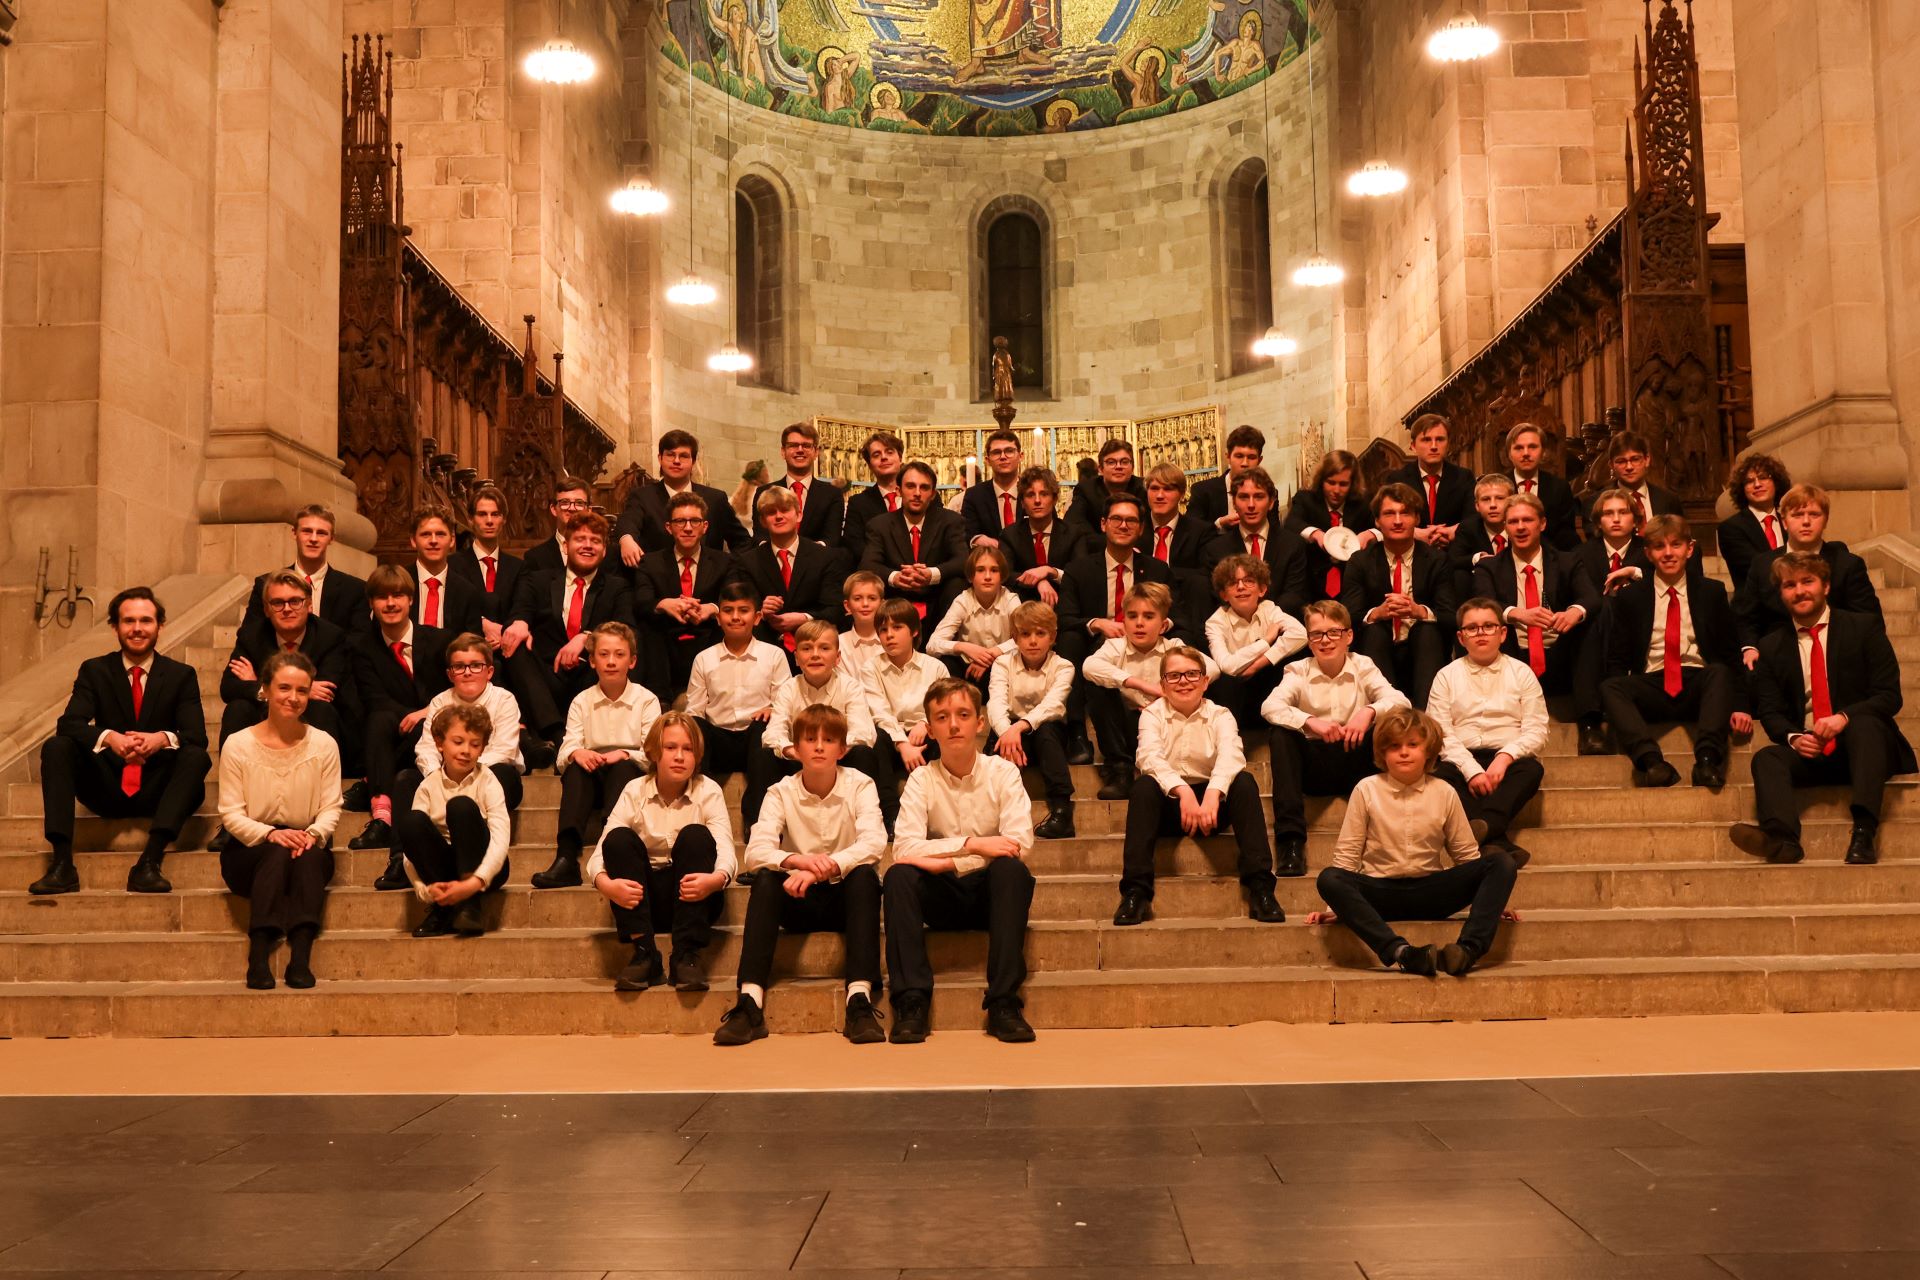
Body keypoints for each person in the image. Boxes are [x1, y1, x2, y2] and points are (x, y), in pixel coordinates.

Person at [714, 705, 888, 1046]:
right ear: (796, 748)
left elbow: (874, 842)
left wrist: (829, 866)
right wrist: (800, 862)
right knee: (764, 880)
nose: (819, 746)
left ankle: (860, 1000)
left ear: (843, 749)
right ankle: (750, 1001)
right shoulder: (780, 791)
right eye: (810, 739)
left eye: (828, 739)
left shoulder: (861, 785)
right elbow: (755, 850)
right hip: (797, 899)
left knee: (865, 876)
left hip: (845, 899)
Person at [1731, 552, 1916, 865]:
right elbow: (1772, 711)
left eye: (1807, 581)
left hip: (1866, 747)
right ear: (1781, 593)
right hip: (1813, 748)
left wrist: (1844, 718)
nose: (1799, 591)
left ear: (1826, 586)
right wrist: (1793, 738)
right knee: (1767, 758)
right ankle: (1783, 839)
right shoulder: (1772, 645)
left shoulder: (1863, 627)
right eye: (1790, 585)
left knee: (1865, 724)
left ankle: (1864, 831)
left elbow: (1889, 696)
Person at [883, 678, 1038, 1044]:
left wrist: (952, 861)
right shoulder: (921, 779)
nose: (953, 724)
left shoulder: (1003, 773)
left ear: (979, 723)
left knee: (1011, 870)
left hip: (991, 895)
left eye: (963, 715)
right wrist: (974, 845)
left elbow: (1019, 843)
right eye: (942, 717)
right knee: (898, 877)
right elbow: (904, 847)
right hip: (942, 899)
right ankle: (912, 1001)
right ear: (931, 728)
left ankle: (1003, 1003)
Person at [1313, 706, 1519, 976]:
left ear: (1428, 752)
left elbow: (1466, 856)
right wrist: (1336, 906)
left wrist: (1492, 900)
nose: (1404, 752)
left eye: (1413, 744)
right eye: (1394, 746)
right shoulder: (1366, 789)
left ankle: (1466, 951)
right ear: (1383, 753)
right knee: (1329, 878)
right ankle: (1403, 953)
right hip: (1380, 892)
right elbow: (1348, 855)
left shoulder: (1444, 791)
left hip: (1432, 892)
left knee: (1501, 862)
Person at [31, 587, 211, 896]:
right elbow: (69, 724)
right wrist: (109, 737)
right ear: (115, 626)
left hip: (157, 788)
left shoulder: (181, 675)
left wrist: (160, 739)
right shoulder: (95, 670)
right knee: (56, 746)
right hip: (108, 785)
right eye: (128, 621)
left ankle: (149, 862)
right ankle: (62, 864)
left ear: (160, 625)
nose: (137, 628)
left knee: (195, 756)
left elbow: (197, 736)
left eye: (146, 620)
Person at [1114, 646, 1282, 927]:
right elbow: (1148, 757)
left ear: (1205, 682)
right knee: (1143, 786)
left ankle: (1261, 889)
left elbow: (1232, 755)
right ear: (1163, 685)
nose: (1183, 681)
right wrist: (1183, 792)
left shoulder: (1221, 714)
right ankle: (1135, 892)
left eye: (1192, 674)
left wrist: (1213, 794)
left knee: (1244, 781)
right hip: (1171, 805)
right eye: (1174, 675)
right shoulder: (1152, 714)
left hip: (1211, 807)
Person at [217, 652, 342, 990]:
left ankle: (300, 958)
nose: (293, 697)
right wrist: (271, 835)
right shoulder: (238, 744)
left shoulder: (324, 744)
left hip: (306, 843)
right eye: (284, 688)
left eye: (302, 690)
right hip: (248, 851)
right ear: (266, 690)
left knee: (310, 854)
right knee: (275, 852)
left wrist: (312, 834)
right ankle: (258, 954)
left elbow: (331, 806)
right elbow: (230, 812)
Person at [1261, 600, 1408, 879]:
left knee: (1385, 727)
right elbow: (1269, 707)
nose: (1325, 640)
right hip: (1314, 767)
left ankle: (1389, 837)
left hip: (1356, 760)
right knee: (1280, 734)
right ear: (1309, 640)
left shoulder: (1363, 665)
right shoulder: (1297, 670)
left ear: (1349, 636)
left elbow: (1400, 700)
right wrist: (1309, 721)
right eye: (1316, 634)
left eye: (1333, 632)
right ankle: (1290, 843)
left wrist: (1368, 711)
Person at [589, 712, 736, 991]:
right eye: (671, 748)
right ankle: (645, 953)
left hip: (697, 895)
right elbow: (601, 850)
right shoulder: (634, 790)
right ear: (656, 753)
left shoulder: (709, 791)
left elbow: (726, 848)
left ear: (697, 756)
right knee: (619, 839)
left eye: (688, 749)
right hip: (644, 900)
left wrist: (716, 880)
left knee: (696, 835)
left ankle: (686, 956)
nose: (679, 756)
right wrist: (606, 885)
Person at [1600, 516, 1745, 790]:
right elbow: (1617, 658)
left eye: (1675, 545)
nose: (1668, 553)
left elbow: (1729, 653)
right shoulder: (1632, 597)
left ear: (1689, 549)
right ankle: (1652, 763)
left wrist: (1741, 705)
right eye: (1659, 546)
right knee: (1610, 686)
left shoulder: (1711, 592)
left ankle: (1706, 760)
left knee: (1720, 671)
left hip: (1698, 684)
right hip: (1652, 682)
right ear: (1648, 554)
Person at [1472, 492, 1604, 752]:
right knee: (1483, 623)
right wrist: (1516, 613)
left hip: (1559, 657)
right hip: (1513, 658)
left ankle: (1590, 726)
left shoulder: (1567, 561)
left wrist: (1574, 611)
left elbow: (1591, 597)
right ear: (1506, 527)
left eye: (1527, 520)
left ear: (1542, 524)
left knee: (1590, 622)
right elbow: (1481, 604)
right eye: (1513, 522)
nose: (1520, 527)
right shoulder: (1490, 567)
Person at [535, 622, 662, 889]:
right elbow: (566, 750)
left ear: (633, 661)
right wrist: (577, 753)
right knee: (575, 769)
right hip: (592, 777)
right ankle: (567, 858)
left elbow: (654, 755)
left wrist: (624, 753)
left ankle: (611, 852)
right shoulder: (582, 701)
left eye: (619, 654)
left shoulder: (647, 700)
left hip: (629, 777)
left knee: (624, 768)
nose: (611, 661)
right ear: (592, 661)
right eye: (603, 655)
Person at [499, 509, 635, 748]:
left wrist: (587, 637)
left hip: (590, 674)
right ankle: (556, 731)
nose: (587, 546)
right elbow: (521, 608)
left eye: (595, 541)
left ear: (604, 551)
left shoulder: (617, 587)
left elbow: (626, 627)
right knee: (514, 648)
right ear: (565, 546)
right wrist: (520, 622)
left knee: (614, 651)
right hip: (545, 676)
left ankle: (554, 735)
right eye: (580, 539)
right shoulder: (538, 580)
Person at [1427, 599, 1548, 866]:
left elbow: (1537, 729)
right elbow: (1439, 732)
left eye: (1488, 626)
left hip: (1508, 760)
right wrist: (1472, 770)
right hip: (1459, 759)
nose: (1481, 633)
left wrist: (1505, 757)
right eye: (1472, 628)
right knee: (1437, 778)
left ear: (1503, 633)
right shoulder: (1446, 676)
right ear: (1461, 637)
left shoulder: (1522, 673)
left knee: (1532, 770)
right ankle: (1495, 838)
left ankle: (1479, 832)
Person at [346, 566, 452, 869]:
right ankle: (382, 815)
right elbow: (373, 697)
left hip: (436, 725)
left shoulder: (439, 640)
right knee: (378, 718)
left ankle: (373, 782)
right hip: (392, 729)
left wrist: (427, 713)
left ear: (410, 600)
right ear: (371, 603)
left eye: (398, 595)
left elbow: (456, 688)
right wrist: (412, 717)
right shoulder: (362, 647)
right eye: (381, 597)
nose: (390, 603)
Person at [1085, 581, 1217, 800]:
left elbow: (1211, 668)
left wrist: (1169, 696)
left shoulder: (1173, 646)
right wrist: (1144, 685)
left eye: (1148, 617)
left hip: (1165, 727)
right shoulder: (1115, 647)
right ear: (1123, 620)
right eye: (1132, 616)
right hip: (1126, 728)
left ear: (1163, 625)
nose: (1139, 623)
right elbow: (1089, 666)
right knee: (1097, 688)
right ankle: (1120, 772)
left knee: (1192, 678)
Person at [398, 702, 512, 938]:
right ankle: (443, 905)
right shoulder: (428, 787)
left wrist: (475, 882)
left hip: (484, 866)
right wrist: (424, 889)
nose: (466, 751)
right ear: (440, 744)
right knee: (411, 820)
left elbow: (501, 838)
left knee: (460, 806)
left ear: (482, 749)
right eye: (458, 742)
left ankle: (470, 905)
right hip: (446, 868)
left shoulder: (488, 780)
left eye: (475, 744)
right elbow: (411, 851)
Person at [685, 579, 791, 832]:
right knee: (695, 726)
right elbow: (694, 709)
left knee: (765, 725)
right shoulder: (704, 658)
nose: (735, 617)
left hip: (756, 740)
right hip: (719, 737)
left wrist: (773, 710)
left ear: (756, 618)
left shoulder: (773, 654)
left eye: (743, 611)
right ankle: (701, 815)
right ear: (719, 617)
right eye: (728, 611)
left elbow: (787, 702)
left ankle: (756, 822)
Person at [1341, 482, 1456, 708]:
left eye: (1405, 513)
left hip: (1424, 653)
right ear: (1377, 521)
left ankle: (1429, 717)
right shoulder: (1360, 561)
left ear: (1416, 519)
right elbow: (1348, 617)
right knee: (1374, 630)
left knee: (1427, 630)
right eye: (1389, 513)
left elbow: (1451, 616)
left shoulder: (1436, 560)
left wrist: (1419, 611)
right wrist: (1377, 613)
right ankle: (1385, 713)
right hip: (1379, 650)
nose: (1397, 520)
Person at [1736, 483, 1881, 656]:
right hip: (1778, 657)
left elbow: (1869, 620)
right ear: (1784, 522)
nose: (1806, 521)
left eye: (1814, 514)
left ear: (1825, 519)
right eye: (1797, 515)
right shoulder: (1762, 565)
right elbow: (1748, 617)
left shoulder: (1848, 565)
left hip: (1837, 654)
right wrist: (1750, 648)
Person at [216, 570, 352, 753]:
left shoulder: (330, 636)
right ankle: (234, 778)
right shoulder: (252, 636)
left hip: (309, 713)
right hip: (264, 715)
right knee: (237, 709)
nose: (287, 609)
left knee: (322, 710)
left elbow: (325, 692)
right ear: (266, 609)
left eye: (295, 601)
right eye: (278, 603)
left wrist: (260, 683)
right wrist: (266, 690)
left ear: (309, 605)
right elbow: (228, 687)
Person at [630, 490, 742, 699]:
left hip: (708, 637)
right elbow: (641, 602)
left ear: (705, 527)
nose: (688, 528)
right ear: (669, 527)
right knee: (647, 627)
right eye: (680, 521)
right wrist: (664, 604)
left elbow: (734, 598)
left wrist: (713, 608)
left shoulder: (724, 562)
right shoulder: (650, 563)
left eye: (695, 521)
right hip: (664, 642)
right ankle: (659, 701)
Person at [409, 632, 526, 822]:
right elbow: (427, 748)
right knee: (406, 779)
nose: (467, 672)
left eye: (476, 665)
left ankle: (478, 837)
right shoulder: (439, 702)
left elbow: (505, 750)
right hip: (445, 777)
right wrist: (440, 777)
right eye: (459, 666)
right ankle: (401, 849)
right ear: (450, 674)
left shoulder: (504, 699)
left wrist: (465, 776)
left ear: (489, 672)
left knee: (504, 774)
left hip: (489, 774)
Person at [989, 601, 1077, 839]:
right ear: (1015, 638)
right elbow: (995, 702)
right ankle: (991, 809)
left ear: (1053, 636)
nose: (1033, 640)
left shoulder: (1063, 666)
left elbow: (1052, 705)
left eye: (1041, 633)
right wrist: (1007, 731)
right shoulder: (1002, 663)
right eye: (1025, 634)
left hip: (1048, 732)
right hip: (1010, 730)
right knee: (994, 743)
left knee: (1047, 731)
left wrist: (1019, 727)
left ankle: (1062, 809)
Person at [759, 618, 880, 789]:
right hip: (799, 760)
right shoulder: (789, 688)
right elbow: (772, 734)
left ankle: (870, 811)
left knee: (863, 753)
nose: (815, 655)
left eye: (824, 648)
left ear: (837, 657)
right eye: (807, 648)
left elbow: (864, 733)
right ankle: (759, 815)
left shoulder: (850, 687)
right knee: (766, 756)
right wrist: (793, 751)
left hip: (840, 759)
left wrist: (831, 752)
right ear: (796, 658)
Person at [862, 599, 949, 827]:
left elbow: (944, 707)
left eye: (897, 627)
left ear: (914, 630)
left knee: (943, 731)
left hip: (925, 734)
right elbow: (878, 711)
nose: (889, 635)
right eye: (883, 630)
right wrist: (902, 744)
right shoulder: (870, 668)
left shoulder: (935, 667)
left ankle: (939, 812)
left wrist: (924, 723)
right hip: (892, 737)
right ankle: (890, 815)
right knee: (874, 737)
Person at [615, 428, 752, 565]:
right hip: (658, 581)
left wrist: (728, 570)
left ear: (693, 461)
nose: (676, 461)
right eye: (670, 455)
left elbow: (743, 542)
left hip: (708, 582)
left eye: (684, 456)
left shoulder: (716, 499)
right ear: (660, 458)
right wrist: (626, 539)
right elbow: (628, 521)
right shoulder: (642, 497)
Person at [1204, 553, 1306, 731]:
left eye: (1249, 581)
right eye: (1233, 583)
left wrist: (1258, 664)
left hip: (1266, 687)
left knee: (1294, 659)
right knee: (1226, 683)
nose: (1241, 587)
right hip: (1238, 696)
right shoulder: (1215, 622)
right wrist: (1266, 640)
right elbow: (1227, 666)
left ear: (1262, 590)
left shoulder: (1270, 609)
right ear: (1224, 595)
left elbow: (1301, 634)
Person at [740, 485, 845, 654]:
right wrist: (761, 609)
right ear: (762, 521)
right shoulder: (748, 561)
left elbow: (835, 609)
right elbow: (741, 610)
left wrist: (804, 618)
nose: (779, 516)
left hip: (814, 646)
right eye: (771, 512)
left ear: (799, 514)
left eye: (784, 510)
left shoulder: (825, 557)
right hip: (764, 649)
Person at [859, 460, 968, 616]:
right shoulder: (879, 525)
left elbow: (962, 560)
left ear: (932, 494)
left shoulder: (951, 521)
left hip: (938, 599)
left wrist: (932, 574)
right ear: (898, 491)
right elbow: (868, 563)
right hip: (895, 601)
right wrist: (895, 577)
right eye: (910, 486)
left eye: (924, 487)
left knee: (957, 584)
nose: (917, 493)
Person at [242, 504, 369, 636]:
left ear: (331, 539)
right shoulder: (265, 584)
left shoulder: (354, 590)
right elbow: (249, 635)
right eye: (307, 531)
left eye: (321, 533)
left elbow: (359, 642)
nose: (313, 539)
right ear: (294, 533)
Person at [1204, 467, 1309, 624]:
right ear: (1234, 502)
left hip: (1281, 632)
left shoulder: (1293, 544)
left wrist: (1263, 623)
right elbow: (1218, 598)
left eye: (1259, 497)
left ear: (1271, 502)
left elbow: (1293, 596)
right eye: (1244, 497)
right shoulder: (1215, 550)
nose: (1251, 505)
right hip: (1235, 635)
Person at [1286, 448, 1377, 604]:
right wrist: (1316, 534)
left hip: (1352, 582)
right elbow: (1291, 523)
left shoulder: (1363, 503)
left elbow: (1383, 525)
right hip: (1311, 582)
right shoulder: (1306, 499)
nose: (1336, 490)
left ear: (1352, 483)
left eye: (1343, 484)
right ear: (1321, 480)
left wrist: (1371, 534)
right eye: (1331, 482)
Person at [928, 545, 1019, 684]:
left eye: (994, 570)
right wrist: (964, 647)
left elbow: (1026, 639)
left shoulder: (1011, 599)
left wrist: (991, 654)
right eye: (980, 570)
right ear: (971, 576)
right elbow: (932, 645)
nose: (988, 576)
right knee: (946, 663)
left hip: (1003, 666)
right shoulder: (963, 601)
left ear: (1002, 576)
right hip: (969, 668)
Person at [449, 484, 524, 645]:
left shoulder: (518, 567)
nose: (489, 521)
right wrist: (482, 624)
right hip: (466, 647)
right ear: (470, 519)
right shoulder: (453, 564)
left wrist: (503, 634)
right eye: (482, 514)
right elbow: (452, 609)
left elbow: (521, 608)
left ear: (504, 519)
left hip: (509, 646)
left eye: (495, 514)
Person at [1386, 413, 1475, 548]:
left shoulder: (1464, 477)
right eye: (1426, 440)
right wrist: (1414, 533)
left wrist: (1451, 531)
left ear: (1448, 444)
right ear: (1413, 446)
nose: (1434, 446)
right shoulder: (1398, 480)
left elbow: (1473, 518)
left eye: (1440, 439)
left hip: (1454, 555)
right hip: (1412, 553)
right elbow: (1387, 518)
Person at [752, 421, 845, 548]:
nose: (800, 450)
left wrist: (803, 555)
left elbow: (831, 539)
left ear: (816, 452)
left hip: (816, 563)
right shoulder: (764, 492)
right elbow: (760, 537)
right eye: (793, 445)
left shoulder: (832, 494)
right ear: (783, 452)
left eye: (806, 445)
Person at [1718, 453, 1792, 591]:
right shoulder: (1730, 528)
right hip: (1755, 608)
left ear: (1776, 482)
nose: (1757, 484)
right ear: (1742, 489)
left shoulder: (1790, 521)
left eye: (1763, 477)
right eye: (1749, 481)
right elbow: (1757, 569)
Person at [1505, 422, 1581, 550]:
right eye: (1518, 448)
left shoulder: (1559, 488)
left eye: (1532, 447)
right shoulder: (1499, 486)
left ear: (1543, 452)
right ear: (1509, 454)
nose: (1526, 453)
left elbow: (1567, 536)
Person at [409, 505, 483, 635]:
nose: (433, 541)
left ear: (452, 540)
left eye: (440, 534)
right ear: (413, 540)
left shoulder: (467, 593)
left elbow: (472, 645)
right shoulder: (396, 585)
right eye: (425, 534)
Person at [1445, 474, 1514, 603]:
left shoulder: (1520, 526)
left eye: (1500, 498)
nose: (1493, 505)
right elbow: (1453, 559)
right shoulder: (1469, 527)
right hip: (1482, 594)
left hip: (1516, 587)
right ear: (1477, 506)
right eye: (1486, 499)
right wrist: (1477, 558)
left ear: (1512, 502)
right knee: (1460, 575)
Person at [842, 430, 907, 557]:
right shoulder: (858, 503)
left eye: (889, 452)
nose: (883, 457)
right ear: (870, 465)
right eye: (876, 455)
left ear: (900, 458)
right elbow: (855, 545)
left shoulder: (923, 496)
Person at [1190, 424, 1266, 530]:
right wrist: (1219, 524)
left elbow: (1274, 535)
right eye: (1239, 456)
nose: (1245, 463)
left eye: (1251, 457)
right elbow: (1192, 533)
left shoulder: (1267, 493)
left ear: (1259, 460)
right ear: (1228, 457)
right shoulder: (1203, 491)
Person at [1067, 438, 1150, 533]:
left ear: (1133, 467)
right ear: (1100, 469)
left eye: (1124, 462)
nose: (1119, 466)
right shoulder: (1087, 490)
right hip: (1097, 546)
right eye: (1111, 462)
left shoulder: (1144, 488)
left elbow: (1149, 529)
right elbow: (1073, 526)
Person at [961, 428, 1026, 546]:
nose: (1003, 457)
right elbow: (967, 533)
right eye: (996, 452)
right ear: (987, 460)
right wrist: (977, 539)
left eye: (1009, 451)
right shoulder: (975, 496)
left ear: (1021, 456)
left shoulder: (1033, 492)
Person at [522, 474, 594, 576]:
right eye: (565, 502)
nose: (572, 508)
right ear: (553, 509)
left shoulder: (605, 555)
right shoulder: (535, 557)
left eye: (579, 503)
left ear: (589, 510)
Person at [1606, 431, 1684, 524]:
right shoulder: (1596, 503)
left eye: (1635, 459)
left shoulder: (1669, 501)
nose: (1629, 467)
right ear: (1611, 465)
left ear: (1647, 460)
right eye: (1621, 461)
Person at [1142, 463, 1208, 570]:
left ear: (1182, 494)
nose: (1159, 496)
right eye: (1154, 488)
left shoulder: (1200, 532)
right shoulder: (1134, 529)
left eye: (1168, 489)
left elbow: (1202, 577)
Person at [837, 570, 888, 677]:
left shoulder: (892, 640)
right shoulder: (838, 644)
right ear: (847, 606)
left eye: (872, 598)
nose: (865, 604)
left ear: (882, 604)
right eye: (857, 598)